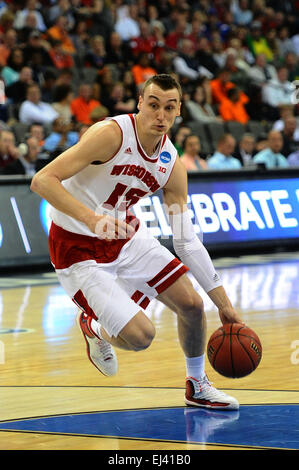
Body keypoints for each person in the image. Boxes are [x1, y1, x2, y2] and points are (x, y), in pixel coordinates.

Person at [30, 74, 242, 410]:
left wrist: (224, 303)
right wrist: (92, 219)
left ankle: (197, 385)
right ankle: (93, 327)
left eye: (169, 108)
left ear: (178, 112)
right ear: (140, 103)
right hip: (76, 246)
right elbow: (42, 181)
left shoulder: (171, 164)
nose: (160, 115)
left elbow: (186, 241)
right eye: (154, 105)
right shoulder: (109, 134)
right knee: (142, 337)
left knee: (193, 305)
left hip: (125, 236)